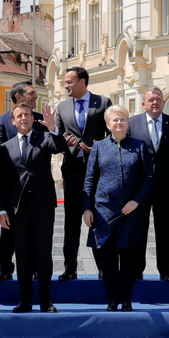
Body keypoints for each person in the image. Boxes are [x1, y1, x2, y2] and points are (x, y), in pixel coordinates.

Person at [83, 104, 151, 311]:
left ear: (128, 123)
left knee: (129, 259)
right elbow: (90, 180)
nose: (119, 122)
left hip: (131, 212)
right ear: (108, 124)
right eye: (115, 119)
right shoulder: (99, 147)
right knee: (108, 260)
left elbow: (148, 178)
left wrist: (136, 201)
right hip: (104, 212)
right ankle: (112, 300)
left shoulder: (140, 146)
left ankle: (127, 300)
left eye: (123, 119)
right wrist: (87, 209)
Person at [0, 103, 65, 313]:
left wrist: (53, 127)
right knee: (22, 255)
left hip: (42, 205)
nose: (24, 118)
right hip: (17, 208)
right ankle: (25, 300)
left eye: (27, 115)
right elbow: (3, 182)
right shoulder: (6, 147)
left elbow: (61, 147)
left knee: (43, 253)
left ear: (32, 118)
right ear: (13, 121)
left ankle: (45, 300)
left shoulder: (44, 138)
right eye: (19, 116)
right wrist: (2, 210)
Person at [56, 66, 109, 280]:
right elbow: (57, 140)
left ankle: (103, 268)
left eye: (69, 81)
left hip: (98, 173)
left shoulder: (103, 103)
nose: (66, 85)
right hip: (73, 171)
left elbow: (112, 134)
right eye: (65, 82)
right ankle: (70, 268)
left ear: (82, 82)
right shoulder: (62, 107)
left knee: (98, 220)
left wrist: (99, 146)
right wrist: (67, 144)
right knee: (71, 222)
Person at [127, 86, 169, 281]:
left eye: (158, 99)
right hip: (139, 188)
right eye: (151, 99)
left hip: (164, 188)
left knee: (165, 230)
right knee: (139, 229)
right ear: (144, 103)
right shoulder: (132, 124)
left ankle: (165, 270)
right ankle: (136, 269)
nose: (155, 102)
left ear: (163, 102)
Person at [0, 82, 39, 282]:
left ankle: (34, 268)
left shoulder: (41, 119)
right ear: (18, 97)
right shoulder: (2, 120)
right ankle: (5, 267)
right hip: (12, 185)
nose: (36, 97)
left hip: (35, 186)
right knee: (8, 229)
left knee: (35, 231)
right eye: (32, 94)